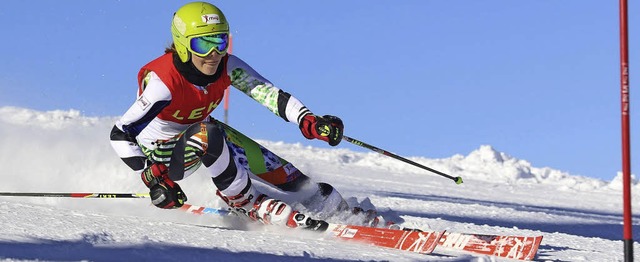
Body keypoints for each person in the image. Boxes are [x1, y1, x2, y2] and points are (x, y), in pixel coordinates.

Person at [109, 1, 352, 230]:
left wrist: (307, 120)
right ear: (183, 45)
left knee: (290, 179)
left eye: (220, 42)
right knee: (207, 134)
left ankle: (336, 210)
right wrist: (153, 177)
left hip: (206, 135)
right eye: (203, 45)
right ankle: (246, 203)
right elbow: (120, 133)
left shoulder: (227, 66)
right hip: (164, 155)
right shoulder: (164, 83)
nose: (214, 54)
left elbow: (269, 94)